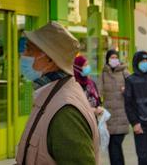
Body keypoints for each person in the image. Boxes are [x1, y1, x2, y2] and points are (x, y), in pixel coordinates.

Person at [15, 22, 98, 165]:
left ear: (49, 59)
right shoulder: (50, 94)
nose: (23, 55)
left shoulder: (66, 111)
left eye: (29, 50)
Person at [98, 50, 131, 165]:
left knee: (115, 144)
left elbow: (133, 90)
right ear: (107, 59)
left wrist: (126, 91)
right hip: (109, 117)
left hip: (122, 116)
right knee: (112, 146)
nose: (114, 59)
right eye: (112, 57)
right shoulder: (103, 73)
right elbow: (99, 93)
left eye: (116, 57)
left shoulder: (125, 72)